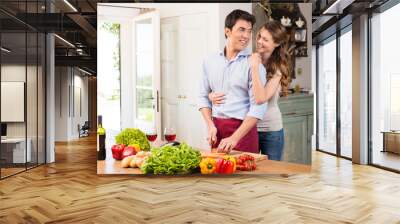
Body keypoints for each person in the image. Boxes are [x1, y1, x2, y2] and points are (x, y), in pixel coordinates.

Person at [209, 21, 291, 160]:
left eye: (265, 39)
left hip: (270, 131)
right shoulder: (248, 58)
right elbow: (233, 88)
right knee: (248, 168)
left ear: (276, 44)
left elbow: (260, 98)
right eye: (259, 36)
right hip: (247, 128)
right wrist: (211, 95)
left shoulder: (277, 70)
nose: (259, 41)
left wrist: (254, 68)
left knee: (270, 173)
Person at [198, 9, 267, 154]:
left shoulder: (254, 64)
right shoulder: (209, 61)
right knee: (218, 175)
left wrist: (235, 138)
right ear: (227, 31)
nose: (246, 36)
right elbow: (202, 96)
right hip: (217, 129)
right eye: (242, 30)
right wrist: (210, 125)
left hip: (243, 132)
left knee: (244, 177)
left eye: (249, 31)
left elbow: (258, 108)